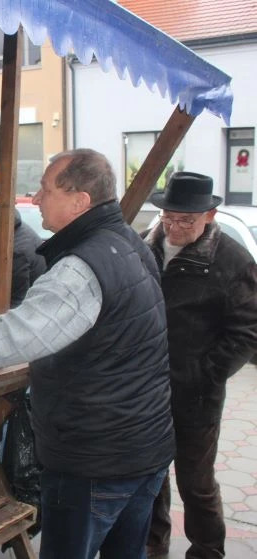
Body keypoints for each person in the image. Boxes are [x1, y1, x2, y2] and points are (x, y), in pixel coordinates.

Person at [0, 148, 175, 558]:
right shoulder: (128, 242)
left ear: (79, 201)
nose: (35, 198)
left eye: (45, 189)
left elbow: (1, 343)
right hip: (143, 446)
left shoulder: (81, 270)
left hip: (96, 460)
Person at [143, 172, 257, 559]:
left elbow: (247, 332)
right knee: (150, 477)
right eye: (168, 217)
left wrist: (204, 374)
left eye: (185, 220)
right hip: (145, 390)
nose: (174, 227)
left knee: (196, 483)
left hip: (196, 395)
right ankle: (153, 546)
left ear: (209, 216)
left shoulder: (232, 261)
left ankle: (207, 550)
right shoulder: (145, 247)